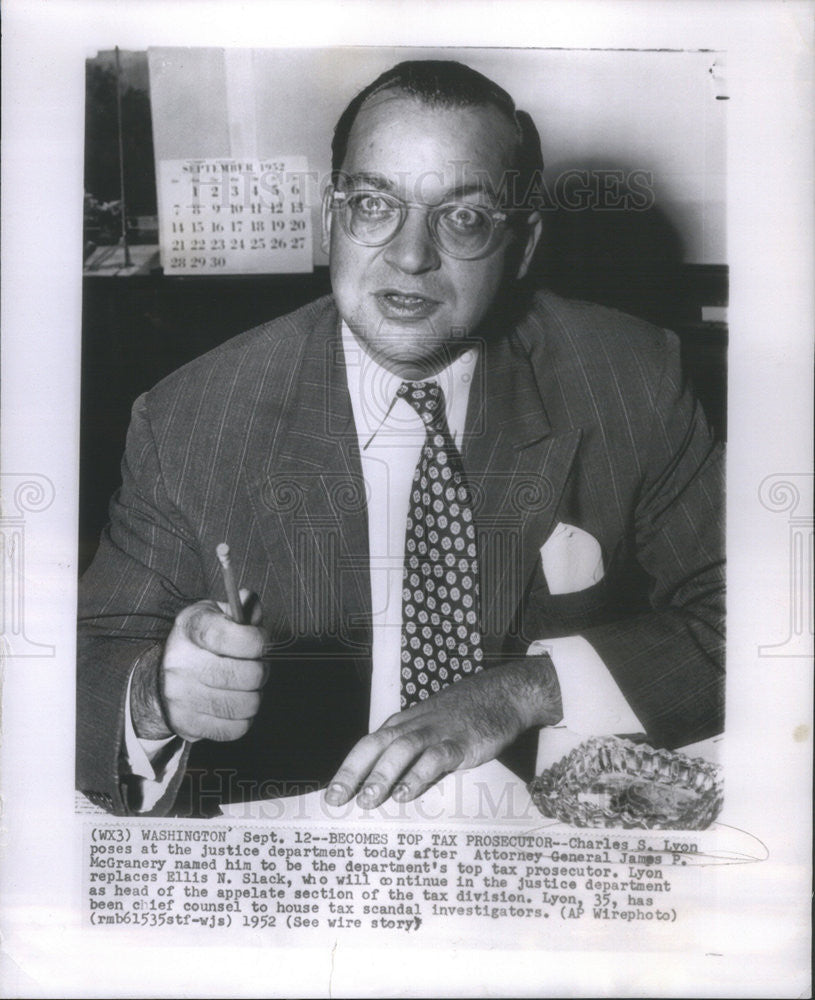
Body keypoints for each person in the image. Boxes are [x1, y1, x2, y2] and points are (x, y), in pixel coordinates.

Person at [77, 60, 725, 817]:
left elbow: (753, 624)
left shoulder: (628, 377)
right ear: (332, 220)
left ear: (519, 246)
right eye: (373, 204)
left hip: (544, 834)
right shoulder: (191, 417)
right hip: (304, 844)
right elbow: (87, 674)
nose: (410, 255)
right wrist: (155, 695)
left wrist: (525, 690)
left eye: (464, 217)